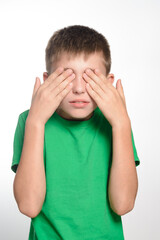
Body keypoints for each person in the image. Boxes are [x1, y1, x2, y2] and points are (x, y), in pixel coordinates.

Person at [11, 25, 140, 240]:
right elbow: (29, 205)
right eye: (67, 76)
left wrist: (121, 124)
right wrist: (36, 121)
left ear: (108, 83)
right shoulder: (29, 120)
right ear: (47, 81)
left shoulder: (116, 122)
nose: (79, 88)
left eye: (89, 77)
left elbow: (123, 204)